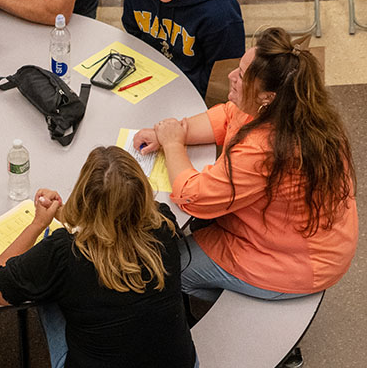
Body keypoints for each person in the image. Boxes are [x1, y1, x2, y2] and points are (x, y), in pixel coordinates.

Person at [134, 27, 358, 303]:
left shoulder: (265, 150)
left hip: (291, 261)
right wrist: (170, 132)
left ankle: (227, 306)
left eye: (240, 76)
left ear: (267, 97)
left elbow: (193, 196)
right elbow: (228, 116)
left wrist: (172, 144)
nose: (230, 76)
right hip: (301, 236)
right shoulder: (293, 106)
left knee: (166, 268)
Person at [0, 146, 197, 368]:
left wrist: (39, 222)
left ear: (84, 195)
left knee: (45, 289)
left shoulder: (64, 255)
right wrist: (66, 215)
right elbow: (115, 225)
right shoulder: (163, 224)